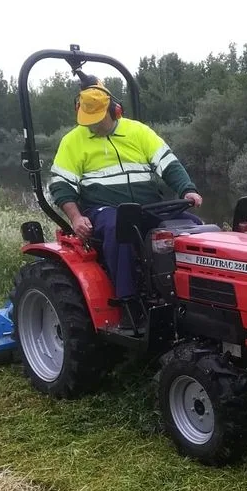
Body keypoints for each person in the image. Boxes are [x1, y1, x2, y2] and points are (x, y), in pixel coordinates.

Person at [48, 78, 202, 328]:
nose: (94, 126)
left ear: (114, 110)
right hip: (103, 209)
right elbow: (60, 184)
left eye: (98, 119)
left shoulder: (138, 132)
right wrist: (76, 217)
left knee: (192, 227)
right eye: (89, 121)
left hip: (147, 205)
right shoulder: (73, 141)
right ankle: (128, 303)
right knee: (120, 227)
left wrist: (188, 190)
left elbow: (168, 163)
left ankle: (189, 292)